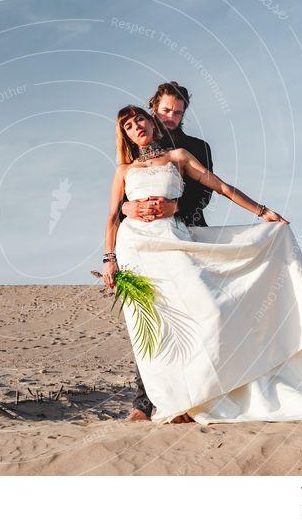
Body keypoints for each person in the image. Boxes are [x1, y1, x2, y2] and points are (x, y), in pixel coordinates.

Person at [103, 105, 302, 425]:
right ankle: (171, 403)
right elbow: (113, 217)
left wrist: (262, 211)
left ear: (152, 123)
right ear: (124, 135)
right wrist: (109, 259)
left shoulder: (178, 157)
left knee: (209, 311)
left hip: (174, 241)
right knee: (154, 325)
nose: (136, 126)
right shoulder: (124, 170)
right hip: (136, 248)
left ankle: (201, 396)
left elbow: (219, 186)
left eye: (140, 119)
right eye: (128, 125)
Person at [120, 82, 213, 422]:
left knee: (192, 316)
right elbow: (119, 199)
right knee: (150, 319)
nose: (171, 117)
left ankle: (192, 399)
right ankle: (144, 403)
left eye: (178, 112)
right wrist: (127, 210)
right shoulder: (135, 149)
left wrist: (175, 207)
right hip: (143, 244)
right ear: (152, 109)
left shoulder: (196, 147)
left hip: (187, 236)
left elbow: (206, 192)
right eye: (165, 110)